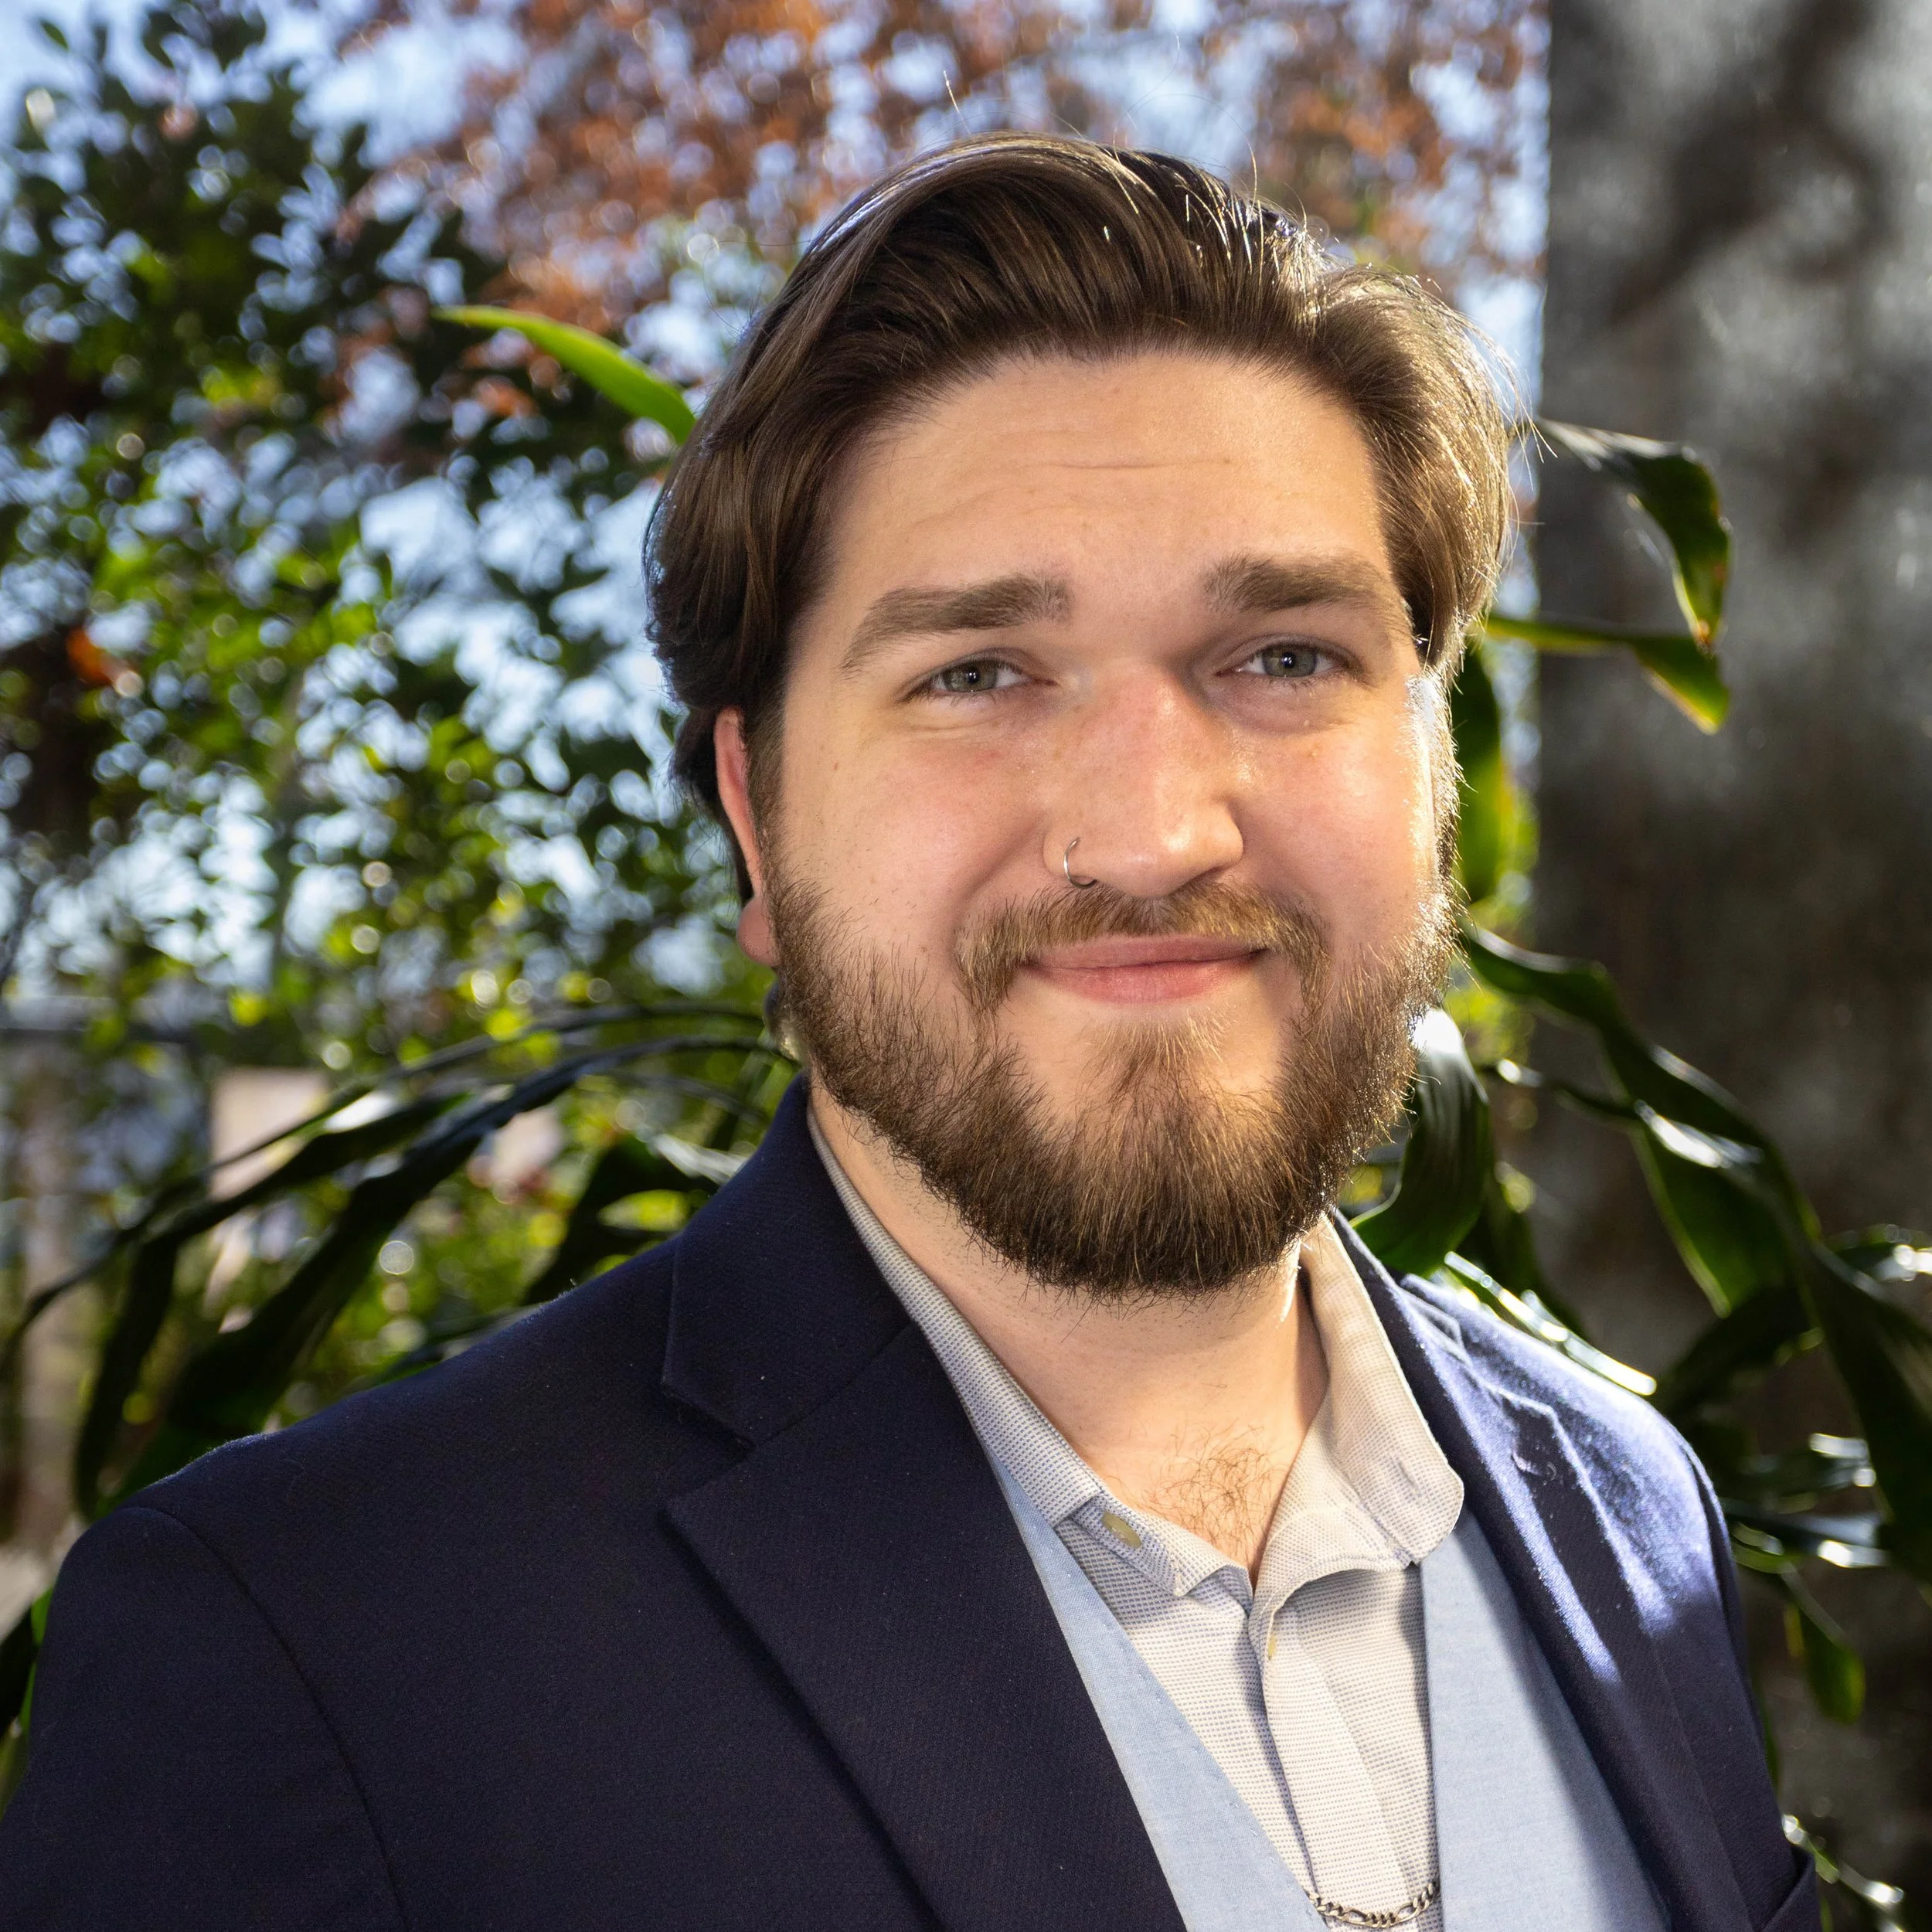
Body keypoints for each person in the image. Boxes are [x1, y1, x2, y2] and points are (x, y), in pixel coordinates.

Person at [0, 138, 1813, 1932]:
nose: (1151, 830)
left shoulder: (1624, 1508)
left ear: (1430, 759)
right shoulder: (311, 1649)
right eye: (975, 673)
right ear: (753, 808)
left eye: (1279, 655)